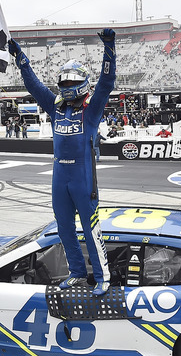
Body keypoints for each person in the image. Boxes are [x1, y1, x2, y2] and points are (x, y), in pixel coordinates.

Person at [8, 29, 117, 297]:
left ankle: (102, 276)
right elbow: (34, 86)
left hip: (83, 178)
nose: (67, 88)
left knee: (91, 229)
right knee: (64, 228)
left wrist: (109, 47)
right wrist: (21, 59)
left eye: (72, 84)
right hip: (60, 177)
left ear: (82, 84)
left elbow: (106, 82)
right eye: (63, 84)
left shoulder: (92, 109)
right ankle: (78, 273)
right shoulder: (55, 107)